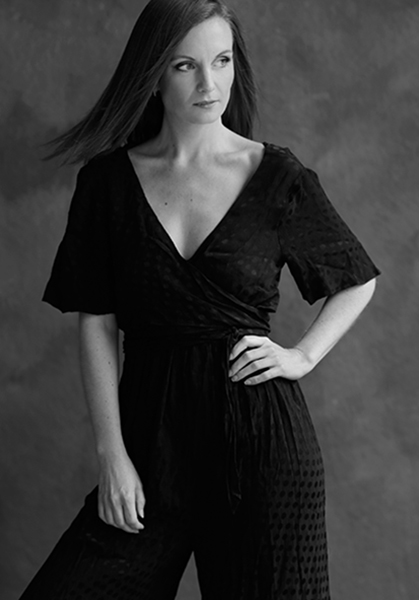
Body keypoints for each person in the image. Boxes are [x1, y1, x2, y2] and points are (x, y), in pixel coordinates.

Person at [20, 0, 380, 598]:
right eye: (185, 65)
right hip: (147, 448)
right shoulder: (107, 184)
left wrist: (302, 356)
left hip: (262, 450)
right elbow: (97, 321)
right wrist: (111, 454)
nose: (210, 85)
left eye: (222, 60)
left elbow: (356, 279)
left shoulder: (275, 175)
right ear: (154, 74)